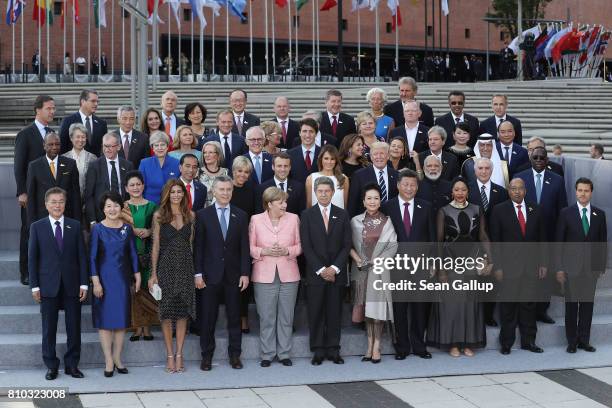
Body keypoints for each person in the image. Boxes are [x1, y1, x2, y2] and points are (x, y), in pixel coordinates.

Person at [29, 187, 88, 380]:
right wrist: (35, 286)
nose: (57, 205)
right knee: (49, 328)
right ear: (46, 204)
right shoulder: (37, 227)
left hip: (72, 285)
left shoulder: (75, 225)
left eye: (61, 201)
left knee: (74, 327)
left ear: (65, 203)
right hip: (47, 285)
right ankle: (51, 365)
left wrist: (84, 284)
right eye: (53, 202)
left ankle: (72, 365)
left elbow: (82, 257)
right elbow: (33, 259)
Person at [427, 177, 491, 357]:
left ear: (467, 192)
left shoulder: (477, 209)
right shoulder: (443, 211)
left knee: (470, 304)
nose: (460, 193)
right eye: (457, 190)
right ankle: (453, 344)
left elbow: (483, 236)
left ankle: (467, 343)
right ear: (452, 192)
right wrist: (440, 269)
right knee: (452, 305)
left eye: (463, 190)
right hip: (450, 262)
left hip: (471, 261)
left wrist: (489, 259)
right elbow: (439, 241)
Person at [194, 175, 250, 371]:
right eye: (222, 190)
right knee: (208, 318)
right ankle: (206, 356)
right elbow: (199, 247)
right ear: (214, 192)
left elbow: (245, 247)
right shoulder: (202, 215)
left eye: (229, 190)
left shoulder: (241, 215)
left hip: (234, 276)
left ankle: (235, 355)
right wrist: (198, 274)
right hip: (209, 276)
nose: (225, 193)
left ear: (232, 192)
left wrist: (245, 273)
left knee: (235, 317)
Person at [489, 178, 547, 355]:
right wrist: (497, 267)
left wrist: (544, 263)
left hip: (531, 267)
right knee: (508, 307)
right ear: (508, 190)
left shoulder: (536, 209)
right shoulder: (499, 211)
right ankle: (506, 343)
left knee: (528, 306)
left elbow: (542, 239)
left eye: (520, 188)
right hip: (508, 268)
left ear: (525, 190)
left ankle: (529, 342)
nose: (516, 191)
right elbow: (495, 242)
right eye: (513, 188)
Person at [383, 170, 435, 360]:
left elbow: (432, 238)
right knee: (400, 308)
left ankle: (420, 346)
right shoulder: (387, 206)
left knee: (420, 307)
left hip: (421, 265)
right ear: (398, 185)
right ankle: (402, 347)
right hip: (396, 266)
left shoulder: (426, 206)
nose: (409, 188)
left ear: (417, 186)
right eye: (405, 184)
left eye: (413, 185)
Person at [301, 176, 352, 365]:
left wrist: (334, 268)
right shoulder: (306, 215)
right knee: (316, 313)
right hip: (316, 274)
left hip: (336, 274)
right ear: (315, 193)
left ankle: (333, 349)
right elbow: (306, 246)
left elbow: (346, 245)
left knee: (334, 312)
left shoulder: (343, 214)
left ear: (333, 192)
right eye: (320, 191)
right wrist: (322, 269)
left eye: (327, 191)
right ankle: (318, 350)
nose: (323, 194)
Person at [90, 191, 141, 377]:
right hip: (103, 281)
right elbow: (93, 258)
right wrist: (96, 282)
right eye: (108, 206)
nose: (112, 209)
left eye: (116, 205)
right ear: (103, 209)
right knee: (105, 322)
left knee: (121, 322)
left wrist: (137, 276)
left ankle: (118, 358)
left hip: (121, 280)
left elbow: (133, 254)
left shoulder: (127, 229)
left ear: (121, 207)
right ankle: (108, 360)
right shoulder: (97, 229)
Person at [249, 187, 302, 367]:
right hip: (264, 275)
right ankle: (267, 354)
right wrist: (264, 251)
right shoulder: (255, 220)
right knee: (266, 317)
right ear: (269, 203)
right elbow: (250, 248)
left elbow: (300, 246)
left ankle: (284, 353)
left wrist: (288, 250)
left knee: (287, 316)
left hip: (289, 274)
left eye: (285, 202)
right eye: (281, 202)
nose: (284, 205)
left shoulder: (294, 219)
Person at [515, 146, 567, 324]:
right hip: (525, 235)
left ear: (547, 160)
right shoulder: (520, 178)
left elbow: (562, 210)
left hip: (549, 235)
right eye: (535, 157)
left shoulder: (558, 180)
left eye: (541, 158)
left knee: (546, 274)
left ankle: (542, 310)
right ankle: (523, 310)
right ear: (530, 158)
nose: (538, 160)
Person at [148, 180, 196, 373]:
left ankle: (180, 354)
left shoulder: (191, 216)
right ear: (167, 194)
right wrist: (153, 274)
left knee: (183, 312)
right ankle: (169, 355)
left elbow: (191, 246)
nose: (176, 195)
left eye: (179, 192)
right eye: (173, 192)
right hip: (165, 267)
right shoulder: (159, 215)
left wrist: (194, 272)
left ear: (184, 194)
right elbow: (156, 246)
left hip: (185, 266)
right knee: (167, 313)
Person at [556, 178, 608, 353]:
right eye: (580, 190)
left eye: (586, 190)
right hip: (571, 268)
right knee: (571, 306)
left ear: (591, 193)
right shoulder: (566, 213)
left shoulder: (599, 215)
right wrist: (560, 268)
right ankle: (571, 342)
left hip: (590, 270)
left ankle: (584, 340)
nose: (583, 194)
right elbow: (559, 242)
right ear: (576, 192)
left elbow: (602, 242)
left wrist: (600, 267)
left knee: (587, 305)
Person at [350, 184, 397, 363]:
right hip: (361, 271)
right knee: (367, 312)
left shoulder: (387, 221)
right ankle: (369, 345)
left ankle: (377, 346)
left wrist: (379, 260)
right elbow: (348, 244)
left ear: (380, 201)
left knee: (377, 310)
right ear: (363, 201)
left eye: (376, 198)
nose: (372, 201)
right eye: (369, 198)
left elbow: (393, 245)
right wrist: (356, 259)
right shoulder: (354, 221)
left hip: (379, 271)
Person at [15, 95, 57, 284]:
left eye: (53, 108)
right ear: (37, 110)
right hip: (31, 194)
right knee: (29, 231)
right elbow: (19, 165)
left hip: (50, 195)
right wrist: (21, 191)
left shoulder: (52, 132)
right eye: (49, 108)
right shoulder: (25, 133)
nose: (52, 112)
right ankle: (26, 271)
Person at [121, 171, 158, 342]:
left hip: (148, 251)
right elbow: (119, 228)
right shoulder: (122, 207)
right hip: (129, 253)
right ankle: (136, 327)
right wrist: (132, 231)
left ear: (143, 186)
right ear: (126, 188)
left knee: (145, 288)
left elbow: (158, 228)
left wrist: (150, 231)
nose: (135, 188)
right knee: (133, 291)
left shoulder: (152, 205)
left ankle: (147, 327)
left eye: (138, 184)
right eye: (132, 185)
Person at [26, 132, 81, 225]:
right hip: (42, 218)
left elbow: (76, 195)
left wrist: (77, 221)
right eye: (51, 144)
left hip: (67, 217)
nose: (54, 147)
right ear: (44, 145)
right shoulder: (34, 166)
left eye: (57, 144)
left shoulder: (70, 164)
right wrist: (32, 223)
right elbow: (31, 197)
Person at [84, 133, 134, 225]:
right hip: (101, 217)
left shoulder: (128, 165)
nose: (107, 150)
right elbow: (89, 195)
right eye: (105, 146)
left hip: (124, 215)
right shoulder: (94, 166)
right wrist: (92, 221)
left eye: (110, 146)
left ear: (118, 147)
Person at [348, 142, 399, 217]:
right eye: (375, 154)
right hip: (365, 221)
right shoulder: (359, 175)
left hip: (391, 220)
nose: (379, 157)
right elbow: (353, 203)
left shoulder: (397, 175)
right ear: (371, 157)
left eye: (382, 153)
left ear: (388, 156)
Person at [59, 89, 108, 156]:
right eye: (93, 101)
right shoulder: (68, 121)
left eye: (97, 101)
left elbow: (104, 148)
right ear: (83, 101)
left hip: (95, 165)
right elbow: (62, 146)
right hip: (73, 164)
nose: (96, 104)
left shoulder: (102, 123)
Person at [139, 131, 181, 205]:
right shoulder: (144, 163)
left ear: (167, 146)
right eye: (156, 145)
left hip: (171, 204)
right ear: (152, 148)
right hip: (150, 205)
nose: (160, 148)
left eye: (162, 145)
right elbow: (140, 186)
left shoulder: (176, 163)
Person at [306, 144, 349, 209]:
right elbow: (309, 205)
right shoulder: (311, 178)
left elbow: (345, 205)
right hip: (316, 218)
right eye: (326, 158)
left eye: (332, 159)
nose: (329, 162)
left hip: (338, 218)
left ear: (336, 161)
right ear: (321, 159)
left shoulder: (344, 179)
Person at [63, 123, 97, 199]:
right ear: (71, 138)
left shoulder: (93, 158)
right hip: (69, 201)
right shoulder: (63, 158)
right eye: (77, 137)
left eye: (83, 137)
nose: (81, 140)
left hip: (88, 201)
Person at [288, 118, 321, 183]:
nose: (308, 135)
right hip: (297, 192)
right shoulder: (289, 154)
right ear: (300, 133)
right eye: (304, 131)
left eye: (311, 131)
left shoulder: (323, 153)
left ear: (316, 134)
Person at [199, 141, 229, 207]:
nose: (207, 155)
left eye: (210, 152)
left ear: (218, 155)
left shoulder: (226, 173)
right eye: (205, 152)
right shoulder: (197, 173)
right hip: (202, 212)